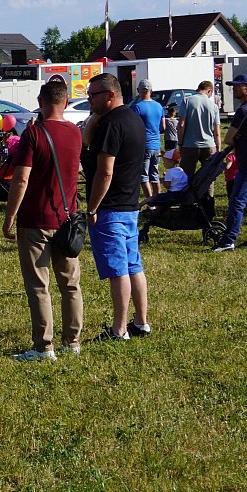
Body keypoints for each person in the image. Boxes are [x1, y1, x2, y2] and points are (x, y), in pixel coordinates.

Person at [2, 80, 84, 361]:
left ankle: (43, 346)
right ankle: (72, 341)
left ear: (40, 99)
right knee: (70, 284)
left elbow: (21, 178)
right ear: (66, 100)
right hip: (67, 218)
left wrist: (9, 215)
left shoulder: (34, 133)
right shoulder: (75, 132)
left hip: (35, 218)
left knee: (39, 286)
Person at [82, 73, 151, 341]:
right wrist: (95, 116)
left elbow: (105, 172)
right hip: (130, 204)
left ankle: (119, 329)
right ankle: (141, 322)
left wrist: (92, 207)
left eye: (94, 95)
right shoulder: (132, 118)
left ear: (110, 95)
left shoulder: (112, 125)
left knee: (118, 270)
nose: (89, 99)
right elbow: (87, 144)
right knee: (134, 265)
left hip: (110, 208)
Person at [213, 74, 247, 252]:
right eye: (233, 85)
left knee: (237, 201)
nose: (234, 88)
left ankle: (228, 240)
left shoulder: (243, 111)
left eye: (239, 86)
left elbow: (229, 138)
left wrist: (238, 138)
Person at [178, 81, 222, 196]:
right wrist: (218, 148)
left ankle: (187, 202)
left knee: (186, 176)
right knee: (208, 176)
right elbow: (217, 132)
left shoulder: (187, 101)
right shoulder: (213, 106)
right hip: (209, 145)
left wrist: (180, 142)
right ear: (209, 91)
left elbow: (181, 125)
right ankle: (208, 202)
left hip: (189, 145)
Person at [131, 79, 165, 198]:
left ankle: (150, 202)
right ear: (151, 91)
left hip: (143, 145)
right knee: (155, 174)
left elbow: (133, 127)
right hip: (156, 145)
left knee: (143, 175)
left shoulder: (137, 108)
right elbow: (163, 127)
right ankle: (159, 200)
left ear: (138, 91)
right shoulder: (159, 106)